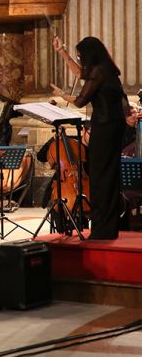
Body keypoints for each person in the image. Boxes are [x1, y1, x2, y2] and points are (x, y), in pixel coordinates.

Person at [50, 36, 127, 240]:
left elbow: (81, 101)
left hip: (105, 127)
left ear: (89, 55)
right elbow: (81, 74)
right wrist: (62, 51)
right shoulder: (103, 70)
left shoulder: (99, 71)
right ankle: (105, 228)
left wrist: (62, 95)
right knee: (105, 177)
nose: (80, 59)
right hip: (110, 126)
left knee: (102, 178)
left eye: (80, 55)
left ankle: (103, 230)